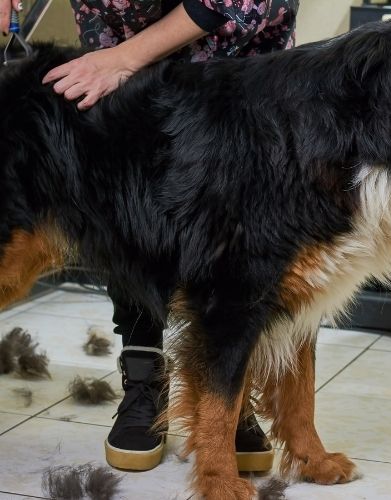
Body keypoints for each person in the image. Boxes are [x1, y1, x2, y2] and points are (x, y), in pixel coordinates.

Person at [2, 0, 299, 472]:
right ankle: (144, 379)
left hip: (232, 68)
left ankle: (232, 398)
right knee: (125, 214)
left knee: (241, 249)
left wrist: (125, 58)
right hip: (119, 48)